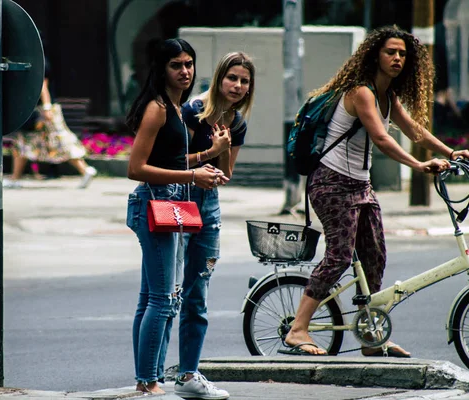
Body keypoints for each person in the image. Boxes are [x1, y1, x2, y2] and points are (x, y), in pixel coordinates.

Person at [281, 25, 469, 357]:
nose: (397, 58)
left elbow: (415, 130)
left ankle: (370, 336)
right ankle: (298, 329)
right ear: (375, 55)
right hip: (331, 183)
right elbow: (382, 138)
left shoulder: (388, 96)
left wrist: (450, 152)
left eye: (402, 54)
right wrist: (418, 166)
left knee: (376, 257)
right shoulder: (361, 92)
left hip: (360, 185)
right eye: (390, 52)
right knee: (339, 255)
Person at [125, 38, 225, 395]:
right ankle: (149, 381)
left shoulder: (177, 108)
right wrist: (191, 177)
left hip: (167, 206)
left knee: (150, 296)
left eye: (189, 64)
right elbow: (136, 168)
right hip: (152, 206)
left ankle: (144, 378)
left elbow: (169, 161)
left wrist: (209, 156)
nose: (185, 71)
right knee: (162, 299)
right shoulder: (157, 108)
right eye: (176, 65)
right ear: (161, 68)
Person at [167, 52, 255, 400]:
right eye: (232, 78)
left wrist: (222, 149)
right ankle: (153, 373)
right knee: (166, 293)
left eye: (244, 81)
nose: (237, 86)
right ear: (219, 78)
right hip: (178, 202)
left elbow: (225, 175)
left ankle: (188, 373)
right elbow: (171, 161)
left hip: (209, 209)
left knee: (197, 293)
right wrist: (211, 150)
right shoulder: (192, 112)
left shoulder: (237, 122)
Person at [4, 58, 97, 189]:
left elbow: (43, 85)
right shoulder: (33, 58)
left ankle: (85, 170)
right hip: (38, 109)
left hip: (43, 110)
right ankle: (15, 177)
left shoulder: (37, 61)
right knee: (23, 142)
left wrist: (47, 108)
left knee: (58, 141)